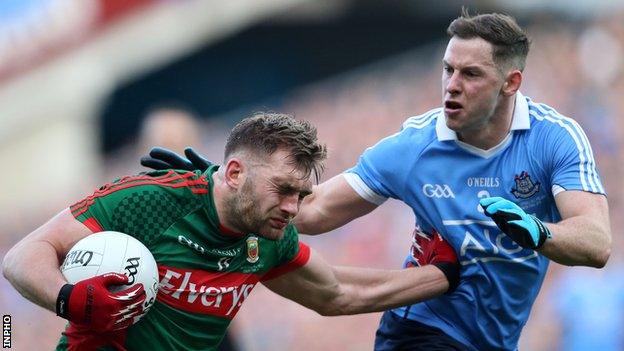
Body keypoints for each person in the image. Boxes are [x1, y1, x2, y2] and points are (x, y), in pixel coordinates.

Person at [142, 11, 612, 351]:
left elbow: (595, 243)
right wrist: (229, 188)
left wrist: (538, 231)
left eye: (471, 74)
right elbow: (315, 211)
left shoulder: (555, 140)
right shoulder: (413, 147)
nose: (451, 84)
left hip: (495, 337)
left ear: (511, 83)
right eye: (448, 69)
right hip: (422, 328)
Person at [2, 113, 460, 351]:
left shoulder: (269, 236)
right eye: (283, 189)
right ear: (235, 172)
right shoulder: (147, 200)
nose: (292, 207)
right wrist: (69, 298)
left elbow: (336, 292)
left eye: (301, 194)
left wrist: (441, 275)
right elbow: (22, 256)